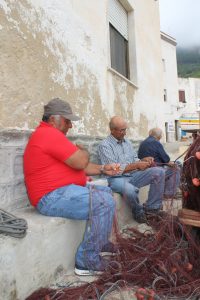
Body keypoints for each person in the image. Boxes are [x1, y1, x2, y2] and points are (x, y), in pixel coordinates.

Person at [23, 98, 120, 276]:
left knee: (106, 192)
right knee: (104, 202)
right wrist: (84, 150)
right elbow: (81, 160)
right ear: (53, 119)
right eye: (67, 121)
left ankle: (101, 243)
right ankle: (87, 261)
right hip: (50, 197)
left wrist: (102, 168)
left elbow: (80, 166)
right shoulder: (47, 134)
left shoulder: (52, 136)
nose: (70, 126)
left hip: (63, 192)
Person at [98, 116, 166, 224]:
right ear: (112, 130)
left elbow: (134, 159)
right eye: (122, 130)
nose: (125, 133)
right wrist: (136, 165)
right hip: (116, 178)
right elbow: (113, 169)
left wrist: (143, 160)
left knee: (159, 172)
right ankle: (138, 211)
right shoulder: (105, 145)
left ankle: (152, 209)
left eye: (125, 129)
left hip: (133, 175)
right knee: (129, 190)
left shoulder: (127, 143)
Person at [138, 127, 180, 197]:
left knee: (168, 168)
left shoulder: (142, 142)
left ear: (150, 134)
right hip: (154, 169)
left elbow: (139, 156)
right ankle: (169, 193)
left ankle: (166, 192)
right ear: (160, 136)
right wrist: (172, 164)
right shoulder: (156, 143)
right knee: (175, 169)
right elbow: (166, 159)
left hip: (143, 169)